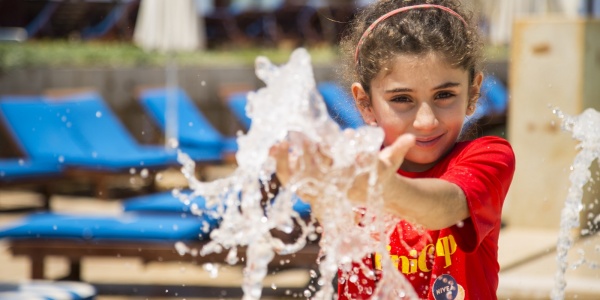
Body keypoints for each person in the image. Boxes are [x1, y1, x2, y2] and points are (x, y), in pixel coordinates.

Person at [271, 0, 516, 299]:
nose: (426, 121)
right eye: (402, 99)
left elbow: (447, 208)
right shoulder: (355, 167)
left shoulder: (488, 156)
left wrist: (383, 189)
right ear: (365, 103)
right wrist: (318, 192)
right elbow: (339, 238)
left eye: (444, 94)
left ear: (473, 92)